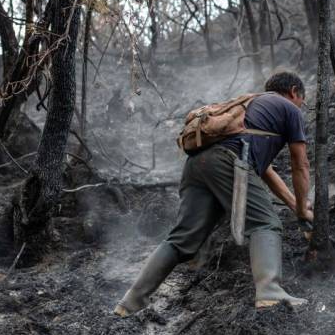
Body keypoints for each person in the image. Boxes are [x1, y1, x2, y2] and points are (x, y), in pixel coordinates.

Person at [114, 71, 312, 315]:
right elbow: (300, 164)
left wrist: (296, 206)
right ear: (294, 91)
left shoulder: (253, 105)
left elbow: (266, 172)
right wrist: (304, 211)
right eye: (302, 100)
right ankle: (270, 292)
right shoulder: (289, 108)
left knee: (182, 239)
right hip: (228, 161)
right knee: (266, 223)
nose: (301, 106)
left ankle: (131, 301)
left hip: (198, 164)